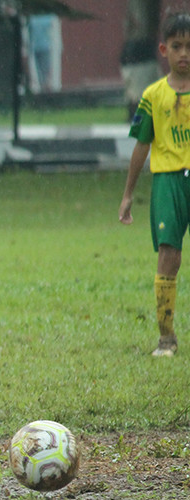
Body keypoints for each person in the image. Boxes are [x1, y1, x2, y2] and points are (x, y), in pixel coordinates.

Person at [119, 11, 190, 357]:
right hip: (167, 182)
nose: (184, 54)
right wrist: (128, 194)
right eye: (177, 46)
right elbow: (141, 145)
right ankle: (166, 337)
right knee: (168, 255)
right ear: (164, 49)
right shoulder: (153, 96)